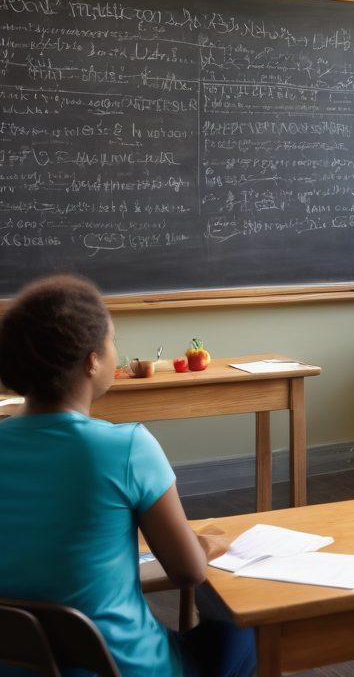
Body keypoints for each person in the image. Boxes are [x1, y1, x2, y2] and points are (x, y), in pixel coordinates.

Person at [0, 274, 256, 677]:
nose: (115, 352)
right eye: (112, 341)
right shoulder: (126, 447)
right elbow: (188, 571)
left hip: (18, 665)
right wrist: (202, 544)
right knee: (250, 630)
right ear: (92, 360)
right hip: (121, 667)